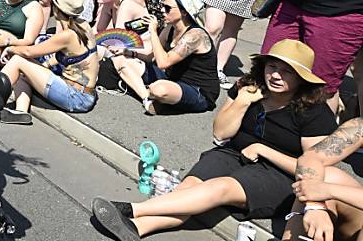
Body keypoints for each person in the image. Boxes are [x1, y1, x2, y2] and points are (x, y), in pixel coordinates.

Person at [92, 40, 335, 240]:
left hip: (278, 174)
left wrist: (264, 150)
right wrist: (241, 102)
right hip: (233, 154)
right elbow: (220, 134)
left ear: (302, 78)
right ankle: (136, 228)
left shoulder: (313, 111)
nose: (276, 75)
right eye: (272, 66)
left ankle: (131, 209)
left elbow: (314, 168)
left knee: (220, 188)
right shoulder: (248, 88)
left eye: (287, 72)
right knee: (188, 190)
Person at [109, 0, 219, 115]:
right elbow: (152, 57)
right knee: (120, 59)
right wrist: (129, 53)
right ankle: (147, 98)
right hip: (173, 80)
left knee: (159, 89)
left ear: (184, 12)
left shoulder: (195, 35)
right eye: (162, 6)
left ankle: (152, 94)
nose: (162, 10)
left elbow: (163, 63)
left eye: (167, 8)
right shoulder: (170, 28)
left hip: (198, 91)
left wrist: (153, 32)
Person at [0, 0, 98, 124]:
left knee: (18, 60)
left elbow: (29, 51)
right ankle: (20, 112)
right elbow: (73, 57)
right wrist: (44, 65)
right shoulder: (83, 25)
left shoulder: (67, 35)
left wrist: (10, 48)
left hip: (75, 97)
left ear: (56, 9)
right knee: (23, 71)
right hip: (84, 94)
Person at [288, 117, 363, 241]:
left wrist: (328, 190)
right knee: (323, 177)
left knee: (320, 187)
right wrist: (315, 205)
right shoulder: (359, 127)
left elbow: (325, 189)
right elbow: (311, 157)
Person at [94, 0, 152, 93]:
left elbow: (117, 41)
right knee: (89, 48)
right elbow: (97, 31)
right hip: (126, 48)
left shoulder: (126, 5)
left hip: (143, 53)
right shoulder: (109, 4)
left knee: (96, 51)